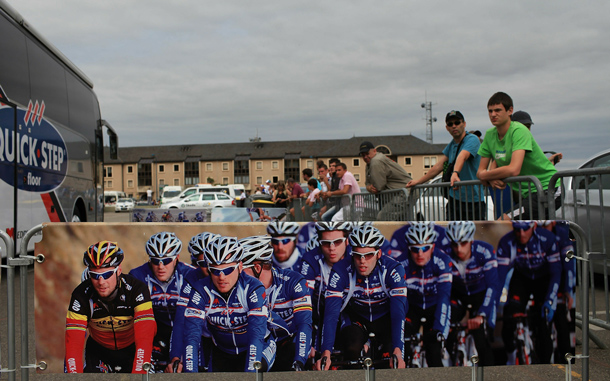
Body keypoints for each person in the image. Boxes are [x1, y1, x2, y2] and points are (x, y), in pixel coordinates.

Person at [318, 225, 408, 370]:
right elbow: (331, 313)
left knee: (391, 357)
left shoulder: (393, 270)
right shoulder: (341, 270)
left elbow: (398, 313)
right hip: (358, 319)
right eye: (357, 255)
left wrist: (398, 349)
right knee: (352, 349)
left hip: (386, 319)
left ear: (378, 254)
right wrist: (326, 352)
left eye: (368, 255)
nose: (362, 261)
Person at [182, 237, 273, 372]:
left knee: (255, 370)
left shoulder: (253, 288)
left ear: (240, 267)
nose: (222, 277)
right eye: (215, 270)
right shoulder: (201, 289)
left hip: (257, 345)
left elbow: (256, 334)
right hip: (222, 350)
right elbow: (192, 335)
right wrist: (190, 374)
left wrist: (250, 372)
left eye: (228, 270)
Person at [65, 241, 156, 373]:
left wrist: (139, 373)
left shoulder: (137, 289)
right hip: (98, 351)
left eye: (106, 275)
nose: (101, 282)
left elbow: (145, 337)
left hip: (133, 349)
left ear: (118, 271)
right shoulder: (81, 295)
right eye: (95, 276)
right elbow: (73, 343)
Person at [477, 92, 559, 220]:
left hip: (549, 188)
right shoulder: (490, 135)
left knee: (502, 222)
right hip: (527, 193)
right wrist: (490, 178)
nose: (493, 114)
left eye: (498, 110)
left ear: (510, 111)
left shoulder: (519, 130)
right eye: (490, 111)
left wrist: (485, 175)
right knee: (528, 233)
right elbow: (480, 171)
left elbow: (513, 169)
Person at [239, 236, 313, 371]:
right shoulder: (240, 288)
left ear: (257, 267)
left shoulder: (293, 282)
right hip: (261, 341)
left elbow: (304, 324)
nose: (238, 276)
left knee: (292, 355)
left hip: (290, 340)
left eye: (241, 270)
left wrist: (299, 361)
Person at [129, 232, 196, 372]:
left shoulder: (190, 274)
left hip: (184, 328)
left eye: (166, 261)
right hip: (155, 331)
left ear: (176, 258)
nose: (160, 266)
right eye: (155, 261)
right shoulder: (138, 276)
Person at [497, 221, 561, 364]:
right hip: (522, 278)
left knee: (543, 322)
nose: (521, 234)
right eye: (517, 230)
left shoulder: (547, 239)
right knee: (509, 316)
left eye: (525, 229)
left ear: (534, 226)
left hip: (543, 279)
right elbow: (499, 276)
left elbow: (556, 273)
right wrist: (493, 302)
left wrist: (550, 300)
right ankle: (511, 357)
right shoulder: (507, 241)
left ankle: (546, 364)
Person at [407, 111, 486, 220]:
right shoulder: (452, 144)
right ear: (446, 128)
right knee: (453, 234)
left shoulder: (472, 139)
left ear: (464, 124)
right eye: (450, 124)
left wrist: (455, 173)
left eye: (457, 122)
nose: (454, 126)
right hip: (455, 199)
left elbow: (462, 156)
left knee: (474, 235)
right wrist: (419, 181)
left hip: (473, 200)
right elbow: (438, 166)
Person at [398, 222, 452, 367]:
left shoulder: (442, 262)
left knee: (433, 351)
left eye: (425, 248)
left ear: (433, 247)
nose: (420, 254)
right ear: (409, 249)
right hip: (412, 308)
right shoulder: (401, 264)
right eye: (415, 249)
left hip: (434, 307)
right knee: (404, 349)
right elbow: (396, 301)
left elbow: (444, 298)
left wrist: (439, 330)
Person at [444, 221, 499, 366]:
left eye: (463, 243)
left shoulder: (484, 251)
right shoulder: (446, 254)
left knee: (481, 338)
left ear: (471, 240)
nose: (459, 249)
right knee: (447, 329)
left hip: (480, 295)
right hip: (458, 296)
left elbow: (492, 285)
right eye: (454, 244)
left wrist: (482, 315)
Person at [168, 232, 219, 373]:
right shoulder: (192, 276)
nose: (209, 269)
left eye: (214, 262)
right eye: (203, 264)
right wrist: (175, 357)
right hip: (203, 334)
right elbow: (180, 321)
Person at [300, 221, 353, 356]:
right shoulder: (311, 258)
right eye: (326, 243)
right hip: (321, 312)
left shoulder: (355, 257)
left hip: (351, 311)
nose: (332, 248)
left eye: (337, 242)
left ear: (347, 241)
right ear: (319, 242)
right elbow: (305, 300)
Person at [537, 220, 576, 363]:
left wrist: (568, 290)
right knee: (542, 322)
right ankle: (544, 360)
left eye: (546, 227)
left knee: (561, 320)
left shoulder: (562, 233)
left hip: (560, 278)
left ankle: (566, 357)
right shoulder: (536, 233)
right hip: (543, 277)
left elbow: (569, 265)